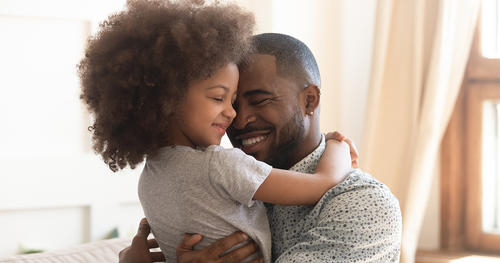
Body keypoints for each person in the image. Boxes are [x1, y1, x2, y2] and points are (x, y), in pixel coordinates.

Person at [79, 1, 356, 262]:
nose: (234, 113)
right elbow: (324, 183)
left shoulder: (149, 179)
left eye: (232, 100)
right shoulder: (221, 165)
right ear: (168, 99)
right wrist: (338, 146)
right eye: (218, 98)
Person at [120, 33, 402, 263]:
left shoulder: (363, 204)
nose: (238, 119)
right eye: (229, 102)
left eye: (260, 100)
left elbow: (323, 184)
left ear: (310, 101)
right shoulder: (209, 183)